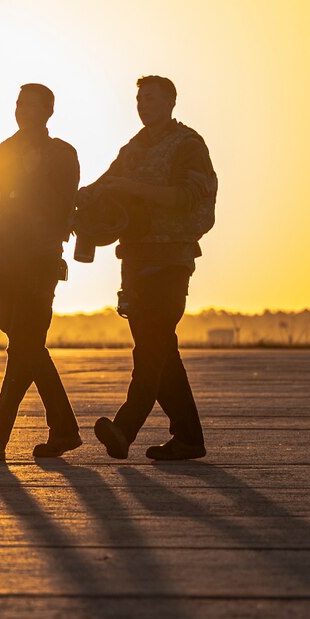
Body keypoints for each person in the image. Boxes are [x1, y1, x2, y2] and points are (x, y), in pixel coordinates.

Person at [85, 75, 218, 462]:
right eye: (139, 99)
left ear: (171, 103)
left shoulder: (188, 145)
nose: (143, 105)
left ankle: (125, 428)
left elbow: (184, 197)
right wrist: (80, 199)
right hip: (136, 261)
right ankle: (189, 438)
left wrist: (133, 189)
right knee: (162, 353)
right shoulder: (135, 148)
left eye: (151, 99)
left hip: (170, 261)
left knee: (150, 349)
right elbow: (107, 183)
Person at [0, 83, 81, 461]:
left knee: (25, 346)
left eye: (32, 106)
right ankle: (64, 429)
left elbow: (63, 204)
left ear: (49, 112)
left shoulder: (62, 155)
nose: (23, 112)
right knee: (28, 347)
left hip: (40, 263)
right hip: (4, 264)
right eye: (19, 105)